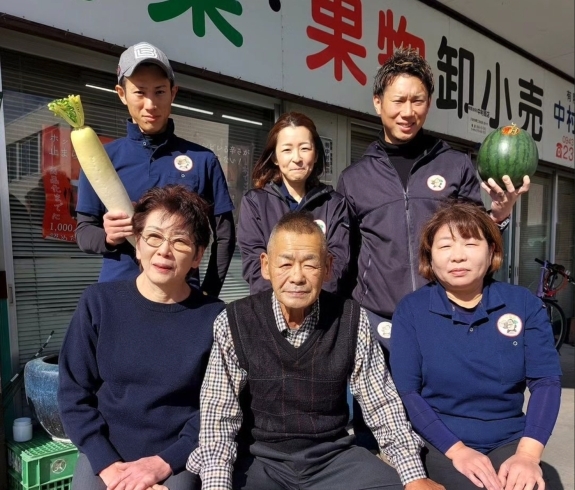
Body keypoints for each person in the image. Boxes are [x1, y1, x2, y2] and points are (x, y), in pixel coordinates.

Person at [187, 212, 445, 490]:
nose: (297, 277)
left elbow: (382, 405)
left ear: (328, 267)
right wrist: (216, 485)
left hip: (333, 459)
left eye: (310, 264)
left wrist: (414, 475)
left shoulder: (351, 319)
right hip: (260, 459)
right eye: (285, 263)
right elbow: (218, 418)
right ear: (266, 266)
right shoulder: (235, 321)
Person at [336, 47, 529, 347]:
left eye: (418, 100)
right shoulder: (354, 178)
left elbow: (476, 240)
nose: (408, 112)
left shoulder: (455, 164)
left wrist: (499, 215)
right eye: (398, 100)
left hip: (446, 317)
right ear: (378, 103)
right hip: (377, 324)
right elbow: (344, 258)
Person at [58, 185, 225, 490]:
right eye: (154, 237)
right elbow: (73, 393)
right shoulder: (99, 303)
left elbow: (216, 407)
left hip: (177, 453)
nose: (164, 250)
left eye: (180, 241)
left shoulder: (214, 317)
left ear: (198, 255)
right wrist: (107, 465)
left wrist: (164, 463)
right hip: (107, 448)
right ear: (137, 245)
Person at [390, 200, 562, 490]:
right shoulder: (412, 311)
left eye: (470, 244)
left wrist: (528, 455)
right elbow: (408, 393)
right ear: (429, 257)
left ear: (492, 251)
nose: (457, 256)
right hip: (440, 441)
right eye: (445, 246)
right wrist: (458, 451)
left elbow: (546, 381)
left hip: (509, 439)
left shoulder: (523, 304)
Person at [75, 41, 235, 296]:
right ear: (121, 93)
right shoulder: (101, 159)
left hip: (181, 297)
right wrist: (107, 237)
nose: (150, 104)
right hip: (117, 294)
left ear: (173, 93)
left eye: (159, 91)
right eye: (140, 92)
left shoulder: (203, 160)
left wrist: (208, 293)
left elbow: (224, 235)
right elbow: (83, 232)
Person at [237, 112, 350, 295]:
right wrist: (283, 305)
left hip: (322, 310)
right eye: (287, 149)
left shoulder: (334, 204)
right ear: (275, 157)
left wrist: (310, 303)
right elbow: (254, 264)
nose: (296, 158)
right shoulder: (255, 202)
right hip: (270, 310)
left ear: (315, 154)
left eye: (305, 148)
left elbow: (337, 263)